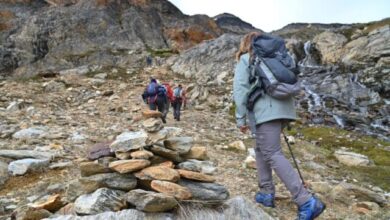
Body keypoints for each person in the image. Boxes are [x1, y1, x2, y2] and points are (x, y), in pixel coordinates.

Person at [233, 32, 326, 220]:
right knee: (261, 150)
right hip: (284, 110)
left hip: (265, 111)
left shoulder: (247, 58)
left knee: (272, 152)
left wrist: (240, 118)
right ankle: (266, 192)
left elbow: (240, 88)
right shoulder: (278, 58)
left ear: (245, 44)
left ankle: (306, 200)